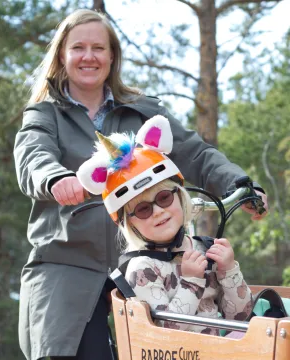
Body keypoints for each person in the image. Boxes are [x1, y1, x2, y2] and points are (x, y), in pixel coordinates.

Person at [13, 8, 267, 360]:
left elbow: (195, 153)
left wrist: (239, 183)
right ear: (62, 55)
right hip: (68, 262)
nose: (89, 56)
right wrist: (55, 178)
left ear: (112, 56)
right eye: (78, 48)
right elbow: (32, 157)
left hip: (145, 262)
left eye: (99, 48)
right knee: (66, 351)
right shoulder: (45, 115)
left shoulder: (140, 111)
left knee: (181, 344)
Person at [78, 115, 253, 336]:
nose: (158, 211)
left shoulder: (203, 249)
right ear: (129, 222)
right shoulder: (142, 268)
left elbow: (241, 318)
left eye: (163, 198)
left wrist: (229, 271)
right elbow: (164, 334)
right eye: (143, 209)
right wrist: (191, 281)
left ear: (179, 196)